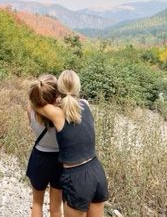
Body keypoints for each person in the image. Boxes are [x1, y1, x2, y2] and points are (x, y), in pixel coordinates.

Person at [29, 70, 109, 217]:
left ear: (59, 90)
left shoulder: (58, 114)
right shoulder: (85, 104)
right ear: (78, 88)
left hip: (77, 177)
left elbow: (35, 105)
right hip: (96, 170)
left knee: (39, 203)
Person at [26, 74, 63, 217]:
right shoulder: (62, 114)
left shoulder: (31, 110)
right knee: (55, 208)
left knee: (36, 203)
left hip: (39, 158)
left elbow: (32, 107)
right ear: (56, 95)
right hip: (59, 160)